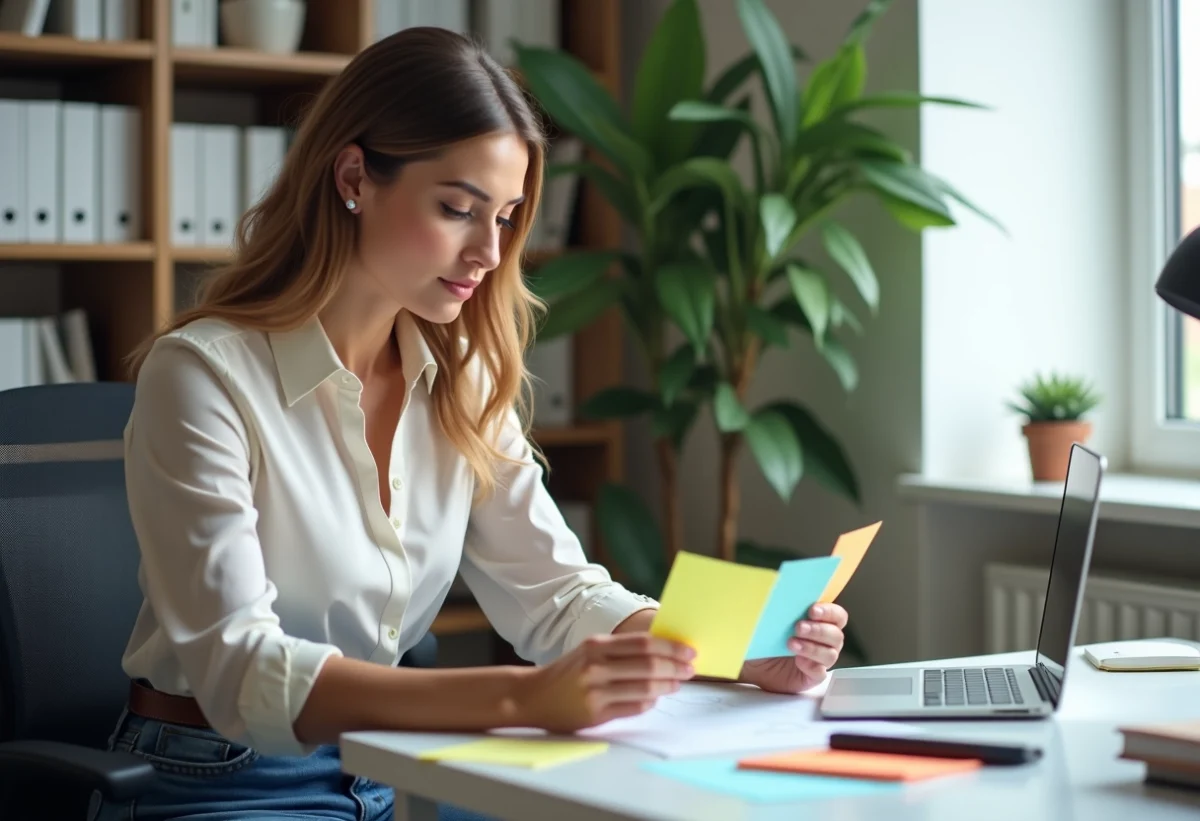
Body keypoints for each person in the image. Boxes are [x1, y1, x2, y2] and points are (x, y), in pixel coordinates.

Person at [87, 26, 850, 821]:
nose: (489, 251)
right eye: (458, 209)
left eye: (509, 217)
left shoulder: (461, 375)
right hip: (216, 776)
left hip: (392, 766)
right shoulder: (203, 375)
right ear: (354, 176)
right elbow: (238, 669)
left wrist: (740, 653)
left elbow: (556, 594)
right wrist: (525, 696)